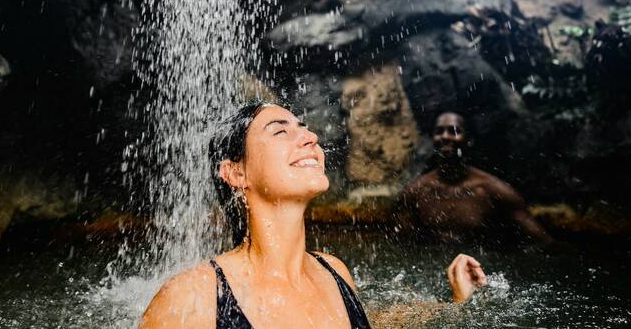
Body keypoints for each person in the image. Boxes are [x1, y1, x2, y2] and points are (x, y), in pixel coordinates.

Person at [141, 102, 487, 328]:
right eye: (280, 130)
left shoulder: (334, 271)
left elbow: (377, 321)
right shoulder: (194, 298)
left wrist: (457, 303)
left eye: (304, 128)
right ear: (236, 174)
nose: (310, 137)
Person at [397, 112, 554, 245]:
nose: (445, 136)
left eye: (454, 131)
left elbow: (544, 243)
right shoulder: (415, 192)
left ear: (469, 141)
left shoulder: (494, 191)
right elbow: (402, 249)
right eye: (439, 131)